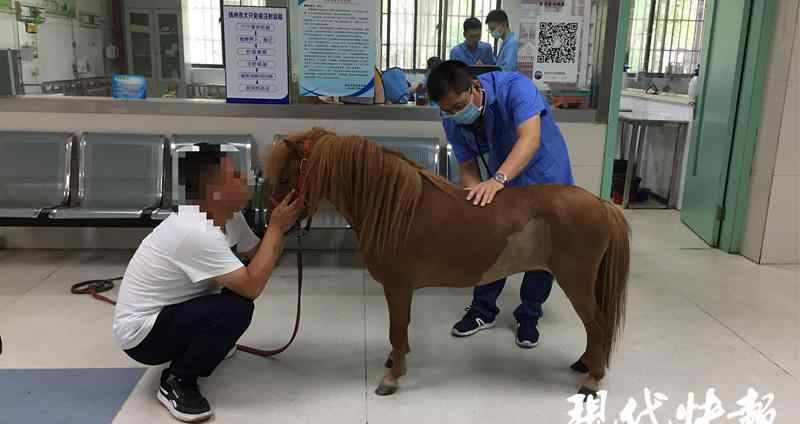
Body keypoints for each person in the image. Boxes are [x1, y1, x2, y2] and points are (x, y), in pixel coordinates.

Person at [112, 144, 302, 422]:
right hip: (143, 337)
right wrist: (275, 228)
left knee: (234, 296)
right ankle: (177, 381)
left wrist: (283, 228)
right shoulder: (196, 231)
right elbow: (253, 286)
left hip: (174, 311)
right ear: (214, 192)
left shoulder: (230, 217)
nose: (248, 179)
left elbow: (258, 255)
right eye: (236, 176)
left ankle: (200, 345)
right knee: (237, 308)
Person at [426, 60, 574, 348]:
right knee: (491, 241)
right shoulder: (452, 118)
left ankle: (529, 316)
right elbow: (467, 164)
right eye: (448, 110)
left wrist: (498, 179)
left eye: (458, 106)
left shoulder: (515, 87)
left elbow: (530, 139)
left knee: (542, 248)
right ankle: (483, 310)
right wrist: (473, 199)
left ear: (474, 87)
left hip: (545, 174)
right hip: (502, 182)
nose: (455, 114)